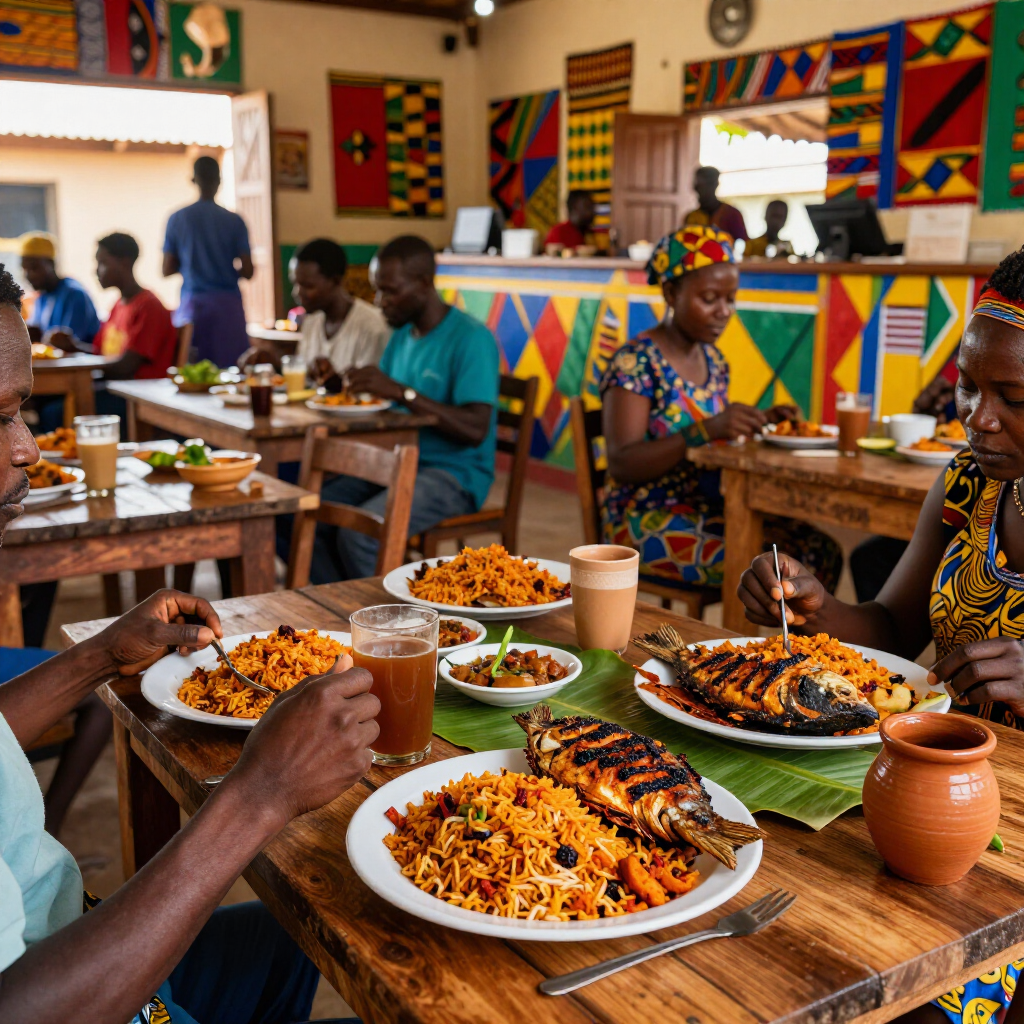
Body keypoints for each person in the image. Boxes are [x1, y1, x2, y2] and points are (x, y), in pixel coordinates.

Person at [0, 262, 378, 1023]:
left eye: (20, 412)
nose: (27, 449)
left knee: (295, 933)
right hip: (62, 989)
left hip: (63, 928)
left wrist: (103, 655)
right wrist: (258, 796)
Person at [736, 246, 1024, 1024]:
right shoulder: (971, 483)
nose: (979, 416)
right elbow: (895, 628)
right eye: (970, 387)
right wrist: (817, 605)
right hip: (927, 795)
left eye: (1014, 397)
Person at [600, 225, 840, 592]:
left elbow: (714, 439)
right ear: (670, 293)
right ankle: (752, 648)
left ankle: (795, 650)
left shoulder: (714, 361)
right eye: (710, 298)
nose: (724, 312)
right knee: (772, 566)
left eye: (730, 298)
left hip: (706, 504)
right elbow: (622, 462)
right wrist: (705, 430)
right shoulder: (636, 363)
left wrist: (759, 423)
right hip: (644, 519)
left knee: (819, 550)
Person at [314, 235, 499, 582]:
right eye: (376, 290)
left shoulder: (471, 339)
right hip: (395, 461)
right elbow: (385, 401)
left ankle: (392, 622)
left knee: (361, 533)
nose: (380, 302)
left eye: (390, 291)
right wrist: (341, 385)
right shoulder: (401, 335)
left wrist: (403, 392)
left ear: (424, 284)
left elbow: (476, 429)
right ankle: (347, 607)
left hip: (453, 474)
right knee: (311, 512)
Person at [240, 238, 389, 390]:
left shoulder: (372, 326)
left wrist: (336, 381)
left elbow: (368, 390)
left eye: (307, 286)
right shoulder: (312, 321)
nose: (297, 293)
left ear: (336, 281)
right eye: (296, 284)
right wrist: (276, 365)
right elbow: (305, 381)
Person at [163, 156, 253, 367]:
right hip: (228, 307)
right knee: (233, 371)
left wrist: (193, 266)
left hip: (194, 305)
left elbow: (167, 268)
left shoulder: (177, 219)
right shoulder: (234, 221)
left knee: (195, 374)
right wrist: (224, 270)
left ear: (193, 180)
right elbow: (248, 271)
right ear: (219, 181)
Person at [94, 233, 178, 381]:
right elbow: (100, 353)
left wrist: (83, 372)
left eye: (103, 263)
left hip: (135, 394)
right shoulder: (118, 306)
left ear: (124, 263)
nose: (96, 271)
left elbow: (126, 366)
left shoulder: (149, 307)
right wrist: (73, 347)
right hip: (114, 387)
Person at [19, 232, 100, 352]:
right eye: (25, 269)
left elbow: (66, 346)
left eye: (34, 268)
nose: (28, 275)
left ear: (51, 264)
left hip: (80, 369)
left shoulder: (75, 295)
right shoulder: (42, 298)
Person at [683, 167, 748, 243]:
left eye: (703, 185)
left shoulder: (732, 214)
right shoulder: (691, 217)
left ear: (715, 185)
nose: (697, 189)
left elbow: (744, 245)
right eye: (697, 185)